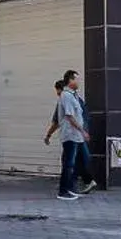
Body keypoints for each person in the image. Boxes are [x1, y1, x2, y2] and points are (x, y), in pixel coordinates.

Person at [43, 70, 94, 201]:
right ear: (70, 80)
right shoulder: (66, 96)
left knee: (78, 161)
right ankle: (63, 191)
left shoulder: (74, 96)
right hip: (71, 135)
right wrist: (82, 131)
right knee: (69, 163)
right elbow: (70, 117)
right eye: (76, 79)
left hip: (77, 136)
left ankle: (72, 188)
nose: (78, 82)